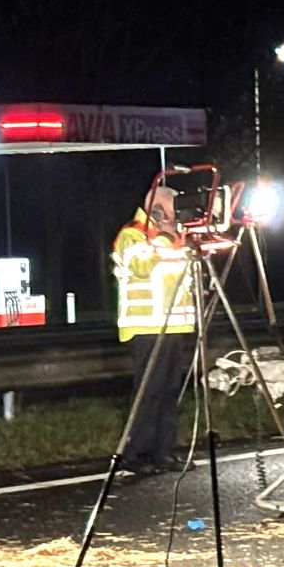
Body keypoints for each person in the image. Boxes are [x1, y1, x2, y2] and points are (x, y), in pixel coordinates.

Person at [111, 183, 197, 475]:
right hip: (146, 326)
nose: (178, 215)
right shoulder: (132, 234)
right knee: (149, 392)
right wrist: (162, 236)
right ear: (158, 209)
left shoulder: (177, 236)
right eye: (173, 208)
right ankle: (137, 455)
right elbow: (142, 266)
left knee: (169, 391)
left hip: (174, 326)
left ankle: (163, 452)